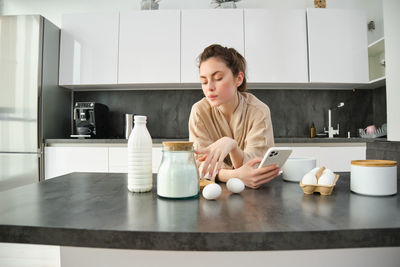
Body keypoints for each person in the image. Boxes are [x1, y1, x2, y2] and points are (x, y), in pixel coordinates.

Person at [188, 44, 280, 189]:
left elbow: (258, 167)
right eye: (204, 81)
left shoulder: (259, 112)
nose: (209, 87)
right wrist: (236, 175)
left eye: (218, 78)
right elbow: (198, 167)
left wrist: (232, 145)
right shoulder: (199, 112)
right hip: (214, 197)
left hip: (255, 200)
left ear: (238, 79)